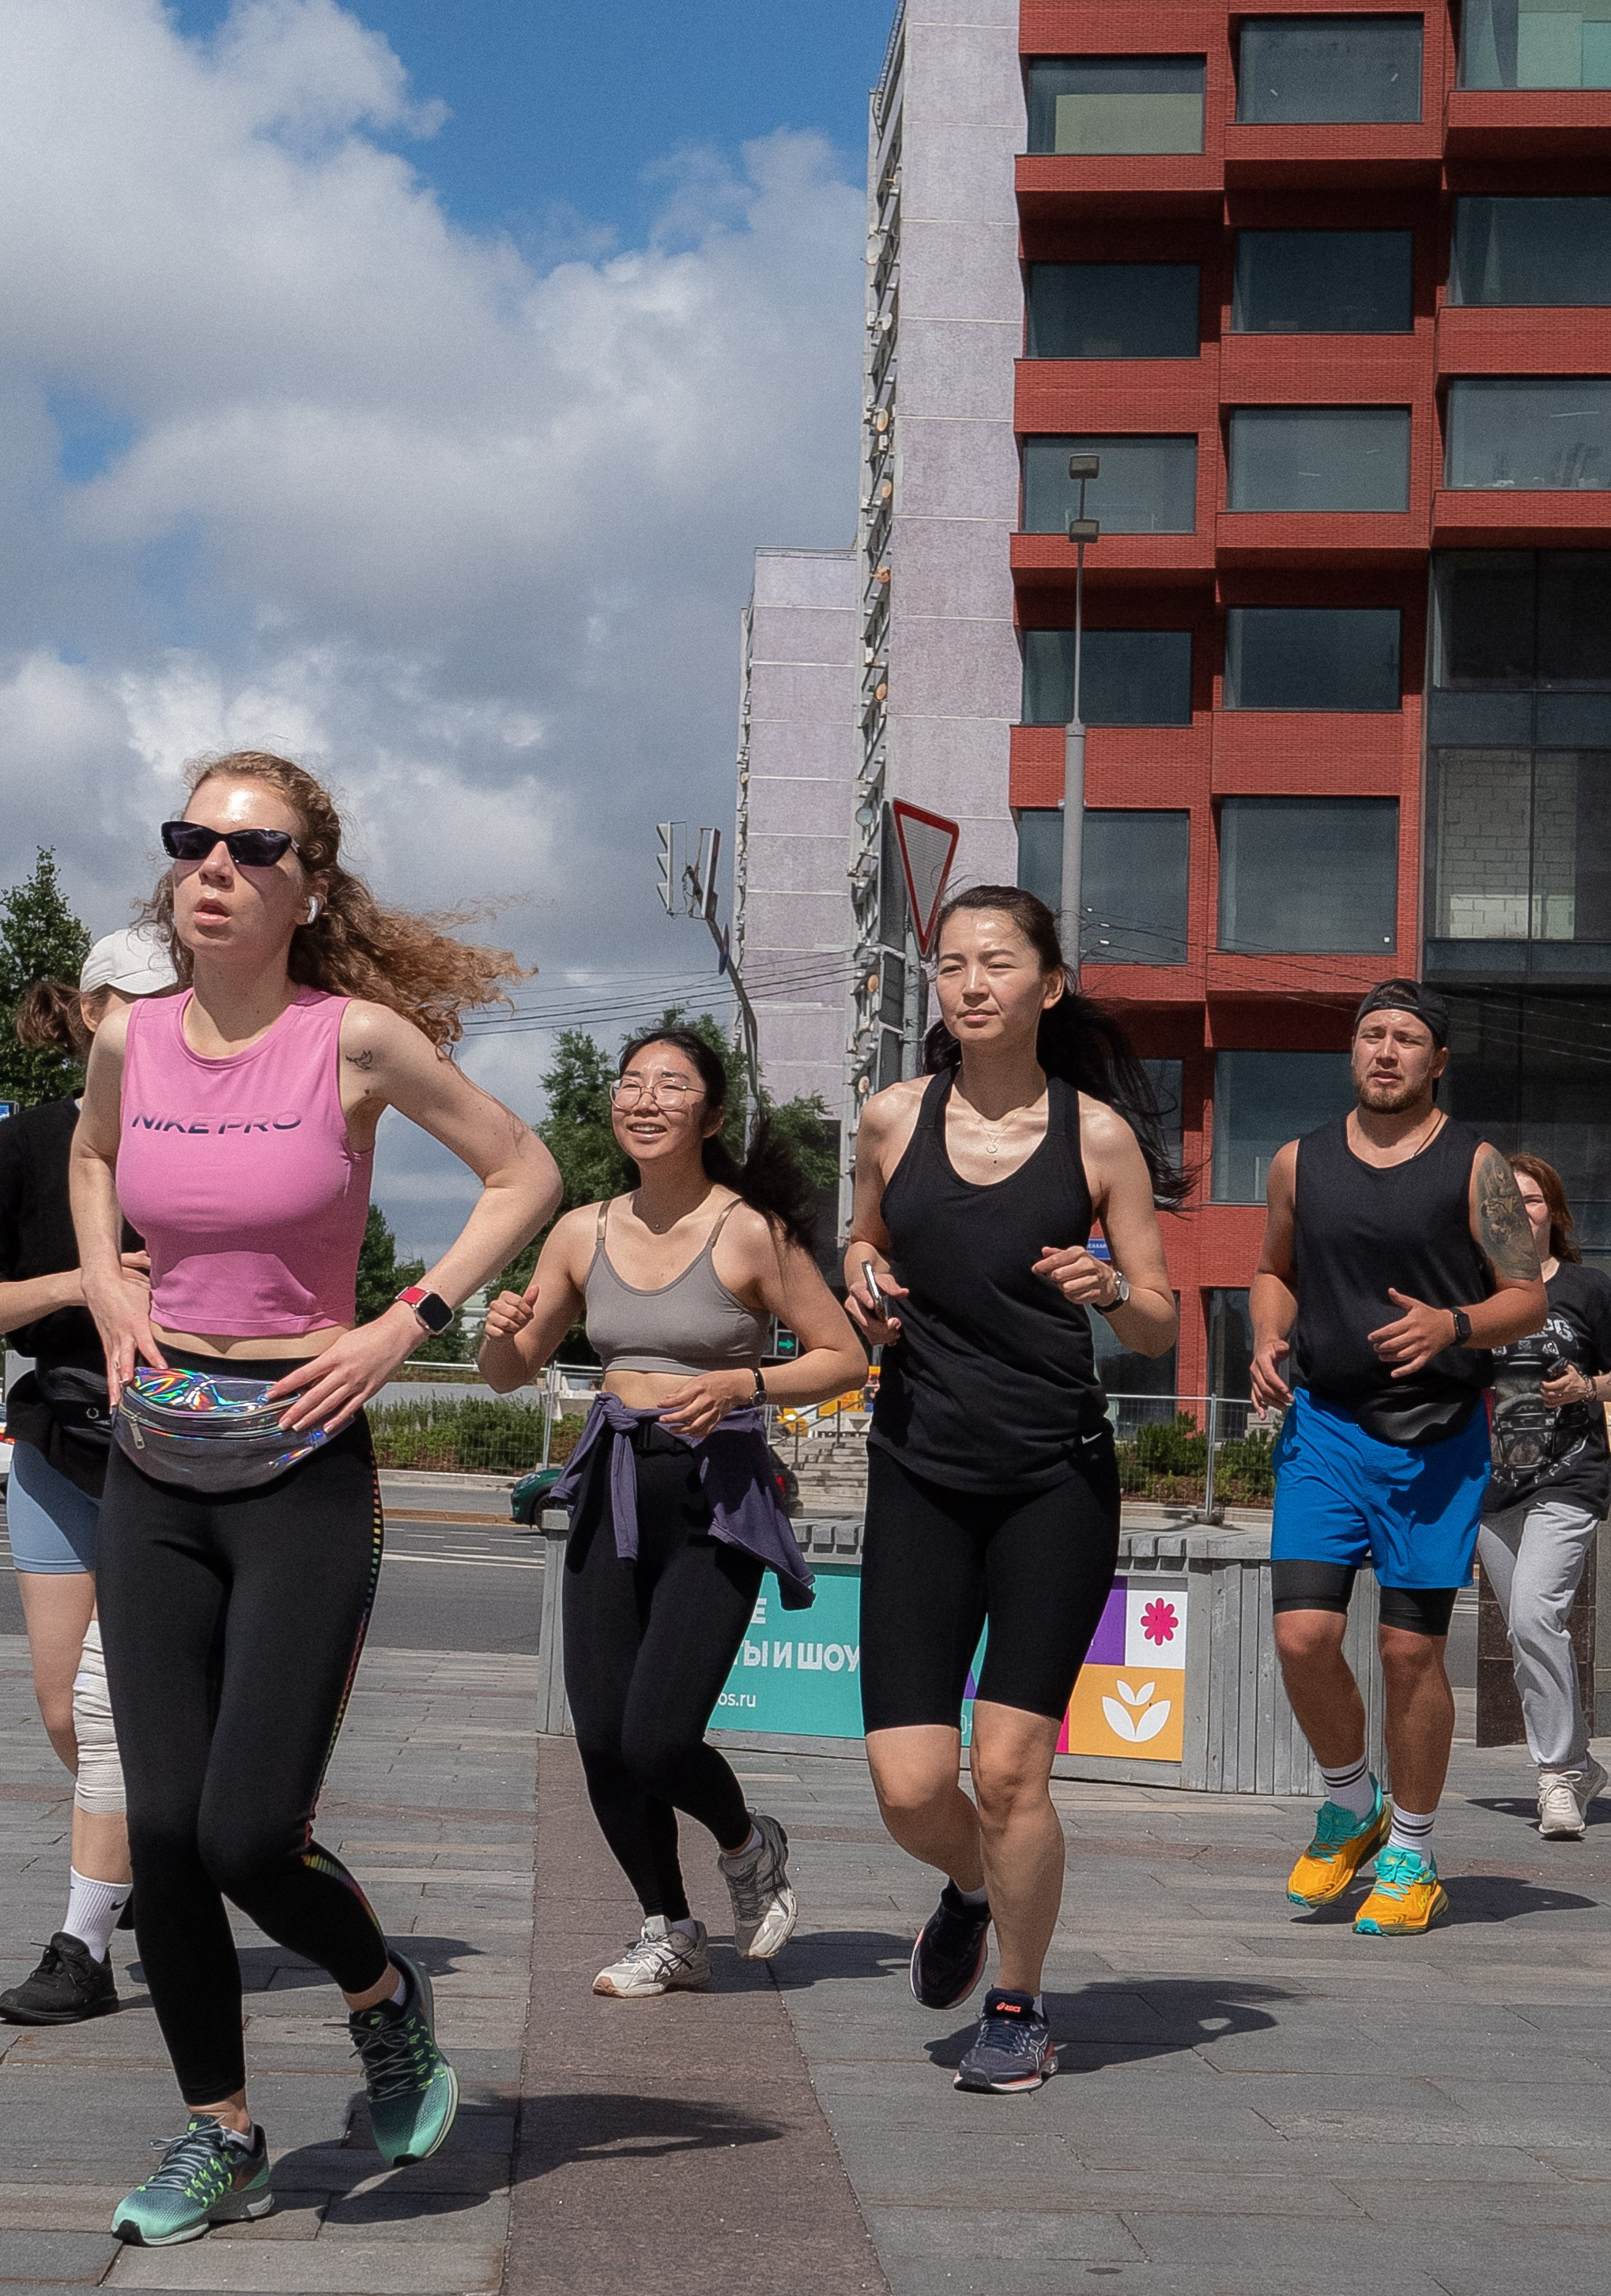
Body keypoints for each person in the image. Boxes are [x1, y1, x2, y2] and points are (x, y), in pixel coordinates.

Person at [70, 752, 560, 2245]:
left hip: (302, 1454)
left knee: (245, 1832)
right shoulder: (129, 1037)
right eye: (192, 841)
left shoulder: (354, 1041)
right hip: (154, 1460)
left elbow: (525, 1172)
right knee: (162, 1832)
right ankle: (220, 2134)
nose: (212, 868)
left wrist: (403, 1324)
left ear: (311, 887)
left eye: (252, 847)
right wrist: (106, 1289)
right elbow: (92, 1161)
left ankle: (383, 1996)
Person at [843, 885, 1180, 2095]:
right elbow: (863, 1240)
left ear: (1048, 985)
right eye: (951, 964)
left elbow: (1157, 1321)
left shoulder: (1098, 1139)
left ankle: (1019, 2006)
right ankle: (973, 1886)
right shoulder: (891, 1118)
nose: (970, 983)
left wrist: (1112, 1292)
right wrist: (863, 1272)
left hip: (1053, 1482)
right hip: (919, 1476)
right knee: (909, 1788)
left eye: (996, 962)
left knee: (1008, 1773)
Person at [478, 1029, 865, 1996]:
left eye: (671, 1085)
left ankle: (748, 1844)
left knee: (656, 1736)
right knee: (602, 1738)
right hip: (610, 1485)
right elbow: (509, 1371)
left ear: (712, 1114)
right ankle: (669, 1928)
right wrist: (497, 1332)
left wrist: (743, 1381)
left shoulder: (751, 1231)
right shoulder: (582, 1230)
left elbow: (845, 1358)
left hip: (715, 1498)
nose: (644, 1099)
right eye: (630, 1083)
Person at [1251, 981, 1546, 1937]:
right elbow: (1274, 1269)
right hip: (1324, 1428)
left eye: (1407, 1038)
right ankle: (1351, 1804)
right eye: (1371, 1034)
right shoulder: (1299, 1161)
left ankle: (1413, 1851)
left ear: (1437, 1061)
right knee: (1303, 1635)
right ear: (1353, 1050)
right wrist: (1267, 1335)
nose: (1385, 1050)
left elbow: (1526, 1297)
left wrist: (1453, 1324)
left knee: (1408, 1650)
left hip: (1436, 1439)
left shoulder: (1476, 1164)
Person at [0, 925, 177, 2025]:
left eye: (172, 1001)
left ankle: (86, 1938)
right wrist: (83, 1282)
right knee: (61, 1707)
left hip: (175, 1445)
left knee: (115, 1703)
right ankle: (148, 1858)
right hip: (56, 1440)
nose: (151, 1023)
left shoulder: (205, 1143)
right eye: (132, 1003)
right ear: (88, 1013)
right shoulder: (23, 1145)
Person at [1476, 1152, 1611, 1841]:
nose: (1519, 1212)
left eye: (1530, 1201)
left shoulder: (1588, 1288)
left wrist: (1587, 1387)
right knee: (1524, 1632)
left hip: (1571, 1476)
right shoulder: (1474, 1289)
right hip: (1492, 1485)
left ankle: (1556, 1773)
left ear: (1552, 1214)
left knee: (1534, 1615)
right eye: (1505, 1202)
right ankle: (1579, 1764)